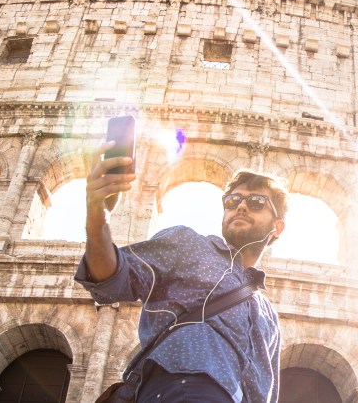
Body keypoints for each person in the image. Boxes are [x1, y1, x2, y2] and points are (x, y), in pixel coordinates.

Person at [75, 140, 288, 403]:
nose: (241, 206)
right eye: (232, 200)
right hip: (183, 386)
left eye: (256, 202)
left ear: (277, 227)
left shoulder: (269, 316)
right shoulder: (186, 243)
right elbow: (111, 280)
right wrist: (96, 216)